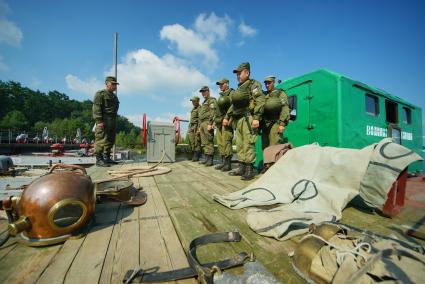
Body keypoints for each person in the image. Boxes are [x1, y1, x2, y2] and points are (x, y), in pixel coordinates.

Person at [223, 62, 265, 180]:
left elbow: (260, 100)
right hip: (239, 119)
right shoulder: (239, 88)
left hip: (248, 118)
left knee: (248, 143)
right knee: (240, 144)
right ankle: (241, 167)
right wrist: (227, 117)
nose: (237, 76)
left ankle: (249, 170)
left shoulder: (253, 84)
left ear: (247, 72)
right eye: (236, 74)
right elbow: (233, 105)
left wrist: (256, 117)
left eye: (239, 73)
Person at [92, 76, 120, 167]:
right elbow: (96, 108)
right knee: (101, 139)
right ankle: (99, 159)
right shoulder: (100, 94)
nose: (114, 86)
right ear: (107, 84)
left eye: (115, 84)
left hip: (112, 120)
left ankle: (107, 157)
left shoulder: (114, 97)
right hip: (103, 119)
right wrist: (99, 121)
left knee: (110, 139)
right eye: (113, 84)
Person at [261, 76, 290, 149]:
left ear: (274, 82)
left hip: (275, 124)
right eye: (266, 83)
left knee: (274, 148)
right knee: (265, 148)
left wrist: (282, 124)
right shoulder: (264, 95)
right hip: (265, 126)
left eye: (269, 83)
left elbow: (285, 108)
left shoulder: (280, 93)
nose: (267, 85)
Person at [214, 78, 234, 171]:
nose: (220, 86)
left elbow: (233, 106)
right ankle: (223, 162)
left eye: (222, 84)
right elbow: (217, 110)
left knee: (227, 141)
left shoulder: (232, 93)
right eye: (219, 85)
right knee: (220, 142)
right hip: (219, 122)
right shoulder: (220, 96)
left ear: (227, 84)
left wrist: (227, 118)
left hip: (226, 121)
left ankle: (228, 163)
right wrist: (215, 121)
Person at [197, 86, 217, 166]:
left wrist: (210, 123)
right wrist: (199, 127)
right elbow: (200, 115)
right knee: (204, 142)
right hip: (202, 124)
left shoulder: (212, 100)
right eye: (202, 92)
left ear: (208, 91)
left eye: (204, 91)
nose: (203, 93)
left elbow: (213, 112)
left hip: (207, 122)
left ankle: (210, 160)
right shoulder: (204, 102)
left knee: (209, 141)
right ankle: (206, 158)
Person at [188, 96, 201, 161]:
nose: (192, 102)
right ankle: (193, 154)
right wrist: (189, 127)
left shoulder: (199, 108)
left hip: (196, 126)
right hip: (191, 126)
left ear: (197, 101)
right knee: (191, 140)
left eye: (194, 101)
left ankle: (196, 156)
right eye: (192, 101)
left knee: (197, 141)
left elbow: (200, 119)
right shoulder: (193, 108)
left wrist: (199, 128)